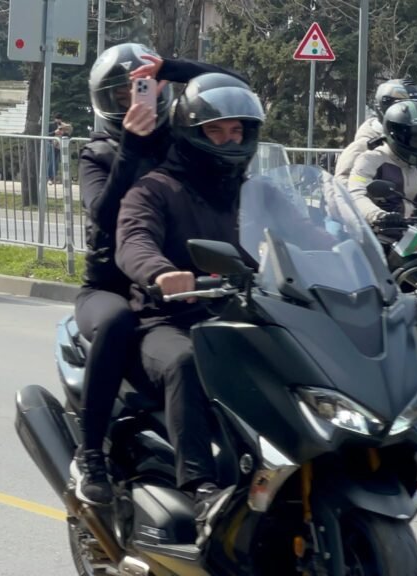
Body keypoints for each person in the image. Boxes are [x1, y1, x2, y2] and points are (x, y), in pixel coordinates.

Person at [72, 43, 245, 507]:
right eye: (123, 94)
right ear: (105, 100)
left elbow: (235, 89)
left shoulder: (183, 144)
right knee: (116, 322)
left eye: (143, 88)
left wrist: (174, 67)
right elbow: (106, 215)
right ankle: (91, 453)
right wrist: (131, 146)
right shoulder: (99, 153)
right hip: (112, 283)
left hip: (186, 283)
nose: (134, 100)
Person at [115, 73, 265, 541]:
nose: (228, 140)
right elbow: (134, 239)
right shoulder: (155, 188)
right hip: (168, 319)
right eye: (215, 131)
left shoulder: (255, 194)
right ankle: (201, 489)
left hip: (240, 318)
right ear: (191, 133)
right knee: (185, 361)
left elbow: (309, 233)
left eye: (236, 131)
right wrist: (160, 271)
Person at [348, 100, 417, 228]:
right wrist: (378, 215)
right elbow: (356, 194)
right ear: (394, 134)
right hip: (379, 232)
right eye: (414, 138)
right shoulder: (370, 160)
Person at [335, 78, 417, 188]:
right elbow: (342, 182)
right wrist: (370, 193)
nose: (415, 116)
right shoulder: (363, 147)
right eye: (407, 110)